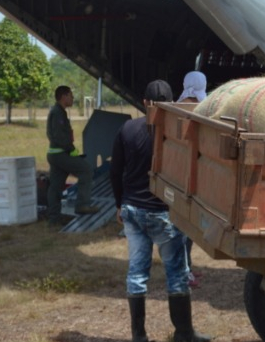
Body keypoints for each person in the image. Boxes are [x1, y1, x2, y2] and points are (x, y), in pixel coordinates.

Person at [111, 80, 211, 342]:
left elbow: (115, 170)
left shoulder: (127, 129)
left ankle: (139, 336)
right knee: (176, 273)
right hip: (164, 213)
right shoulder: (176, 132)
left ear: (144, 102)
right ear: (171, 103)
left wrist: (119, 204)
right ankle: (184, 333)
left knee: (136, 273)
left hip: (132, 210)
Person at [45, 85, 101, 227]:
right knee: (86, 170)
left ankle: (54, 219)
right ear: (63, 96)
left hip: (55, 154)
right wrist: (71, 150)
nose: (73, 98)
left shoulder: (57, 111)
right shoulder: (58, 113)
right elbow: (59, 136)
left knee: (55, 187)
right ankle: (82, 205)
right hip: (61, 153)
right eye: (70, 95)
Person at [175, 70, 206, 288]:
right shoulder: (198, 110)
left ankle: (188, 267)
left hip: (182, 173)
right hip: (186, 176)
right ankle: (183, 273)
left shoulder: (174, 108)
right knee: (182, 229)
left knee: (187, 228)